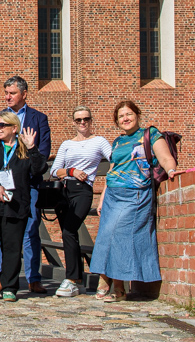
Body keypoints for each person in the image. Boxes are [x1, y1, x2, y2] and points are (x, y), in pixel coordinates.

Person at [89, 100, 177, 302]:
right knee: (106, 235)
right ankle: (118, 288)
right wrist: (102, 198)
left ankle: (107, 281)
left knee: (119, 235)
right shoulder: (118, 141)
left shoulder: (150, 134)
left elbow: (164, 157)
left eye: (128, 114)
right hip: (113, 195)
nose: (125, 119)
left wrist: (172, 170)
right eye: (121, 116)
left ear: (137, 115)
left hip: (135, 194)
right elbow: (113, 171)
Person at [0, 110, 45, 302]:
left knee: (12, 246)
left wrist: (32, 149)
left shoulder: (23, 149)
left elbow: (39, 170)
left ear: (14, 128)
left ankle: (9, 286)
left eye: (2, 125)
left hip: (15, 203)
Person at [0, 76, 51, 294]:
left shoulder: (38, 119)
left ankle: (33, 277)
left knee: (30, 230)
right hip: (3, 186)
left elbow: (43, 154)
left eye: (12, 93)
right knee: (4, 229)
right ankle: (3, 277)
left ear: (24, 94)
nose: (7, 97)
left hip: (28, 185)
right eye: (6, 93)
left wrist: (29, 148)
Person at [51, 106, 112, 297]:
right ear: (73, 123)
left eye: (86, 119)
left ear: (91, 120)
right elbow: (54, 170)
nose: (82, 123)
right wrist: (71, 171)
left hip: (83, 190)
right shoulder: (67, 144)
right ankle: (76, 280)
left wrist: (111, 174)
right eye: (78, 120)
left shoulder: (99, 141)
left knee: (70, 229)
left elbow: (115, 159)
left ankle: (71, 279)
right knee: (69, 234)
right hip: (64, 191)